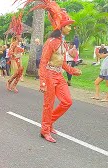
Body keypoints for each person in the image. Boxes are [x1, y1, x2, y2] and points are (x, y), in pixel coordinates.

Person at [21, 1, 82, 143]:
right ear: (62, 27)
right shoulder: (51, 42)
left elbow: (63, 63)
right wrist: (42, 82)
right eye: (68, 25)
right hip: (49, 75)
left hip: (59, 76)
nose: (70, 27)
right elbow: (43, 62)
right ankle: (45, 130)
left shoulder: (63, 43)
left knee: (67, 101)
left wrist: (73, 71)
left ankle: (49, 122)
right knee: (48, 104)